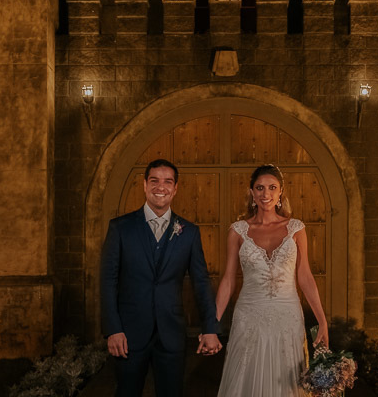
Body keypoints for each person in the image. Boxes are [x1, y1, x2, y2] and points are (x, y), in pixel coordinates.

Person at [100, 158, 223, 397]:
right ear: (144, 185)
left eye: (168, 182)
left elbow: (200, 282)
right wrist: (112, 329)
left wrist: (210, 328)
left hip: (171, 333)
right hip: (128, 333)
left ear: (175, 188)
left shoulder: (189, 232)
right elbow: (107, 281)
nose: (161, 187)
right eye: (154, 181)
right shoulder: (120, 228)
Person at [215, 164, 328, 397]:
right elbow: (228, 279)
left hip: (287, 315)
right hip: (249, 314)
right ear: (252, 193)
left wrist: (322, 321)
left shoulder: (296, 229)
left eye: (272, 188)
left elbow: (305, 276)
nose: (265, 193)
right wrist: (211, 324)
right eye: (260, 188)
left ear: (280, 193)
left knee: (286, 382)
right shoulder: (237, 231)